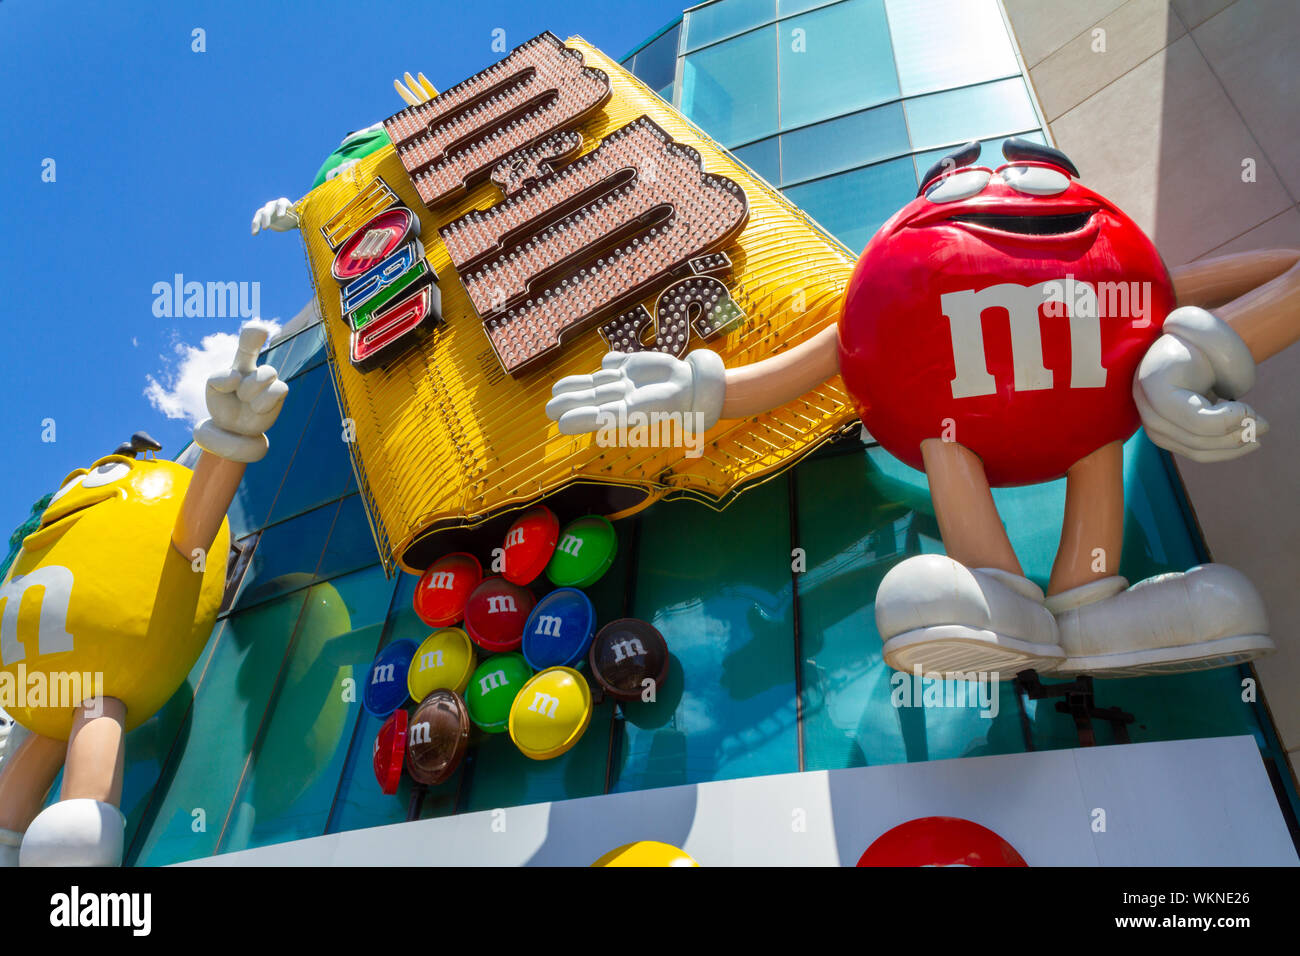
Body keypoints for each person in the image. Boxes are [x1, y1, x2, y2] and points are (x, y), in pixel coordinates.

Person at [546, 138, 1300, 680]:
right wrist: (697, 394)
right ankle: (994, 590)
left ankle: (1092, 601)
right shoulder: (892, 301)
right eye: (969, 179)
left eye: (1032, 172)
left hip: (1088, 417)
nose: (1007, 189)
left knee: (1091, 427)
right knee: (955, 436)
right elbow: (792, 373)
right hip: (959, 433)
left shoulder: (1130, 278)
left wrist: (1192, 352)